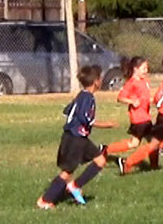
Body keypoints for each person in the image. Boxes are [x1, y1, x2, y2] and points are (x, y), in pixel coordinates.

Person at [37, 65, 118, 209]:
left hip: (78, 137)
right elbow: (86, 118)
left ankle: (75, 185)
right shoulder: (88, 98)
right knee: (67, 172)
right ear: (96, 81)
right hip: (75, 139)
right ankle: (45, 201)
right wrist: (107, 124)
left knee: (100, 160)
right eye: (100, 78)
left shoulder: (81, 95)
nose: (101, 80)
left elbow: (67, 110)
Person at [104, 57, 156, 169]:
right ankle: (110, 152)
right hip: (138, 119)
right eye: (144, 68)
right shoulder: (131, 83)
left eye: (147, 68)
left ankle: (154, 166)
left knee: (148, 142)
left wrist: (154, 101)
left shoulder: (145, 81)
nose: (146, 71)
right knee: (141, 143)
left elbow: (145, 97)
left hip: (146, 117)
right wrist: (132, 102)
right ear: (135, 69)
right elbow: (120, 98)